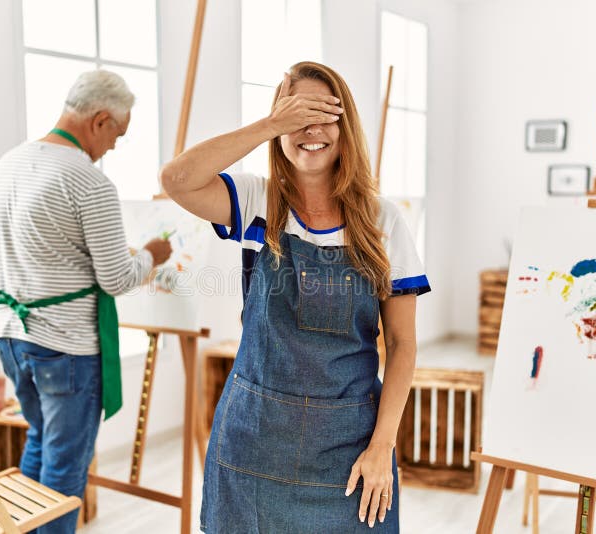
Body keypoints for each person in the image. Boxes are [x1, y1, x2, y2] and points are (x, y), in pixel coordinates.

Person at [161, 61, 431, 532]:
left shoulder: (382, 221)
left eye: (325, 114)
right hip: (254, 441)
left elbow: (404, 345)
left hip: (349, 450)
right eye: (297, 114)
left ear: (345, 127)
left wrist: (382, 447)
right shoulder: (256, 203)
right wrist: (269, 124)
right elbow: (177, 180)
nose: (312, 130)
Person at [0, 69, 172, 533]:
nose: (113, 147)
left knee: (41, 443)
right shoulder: (89, 182)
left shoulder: (7, 164)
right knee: (66, 468)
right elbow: (118, 277)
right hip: (64, 348)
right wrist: (151, 255)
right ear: (101, 119)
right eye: (117, 135)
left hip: (9, 335)